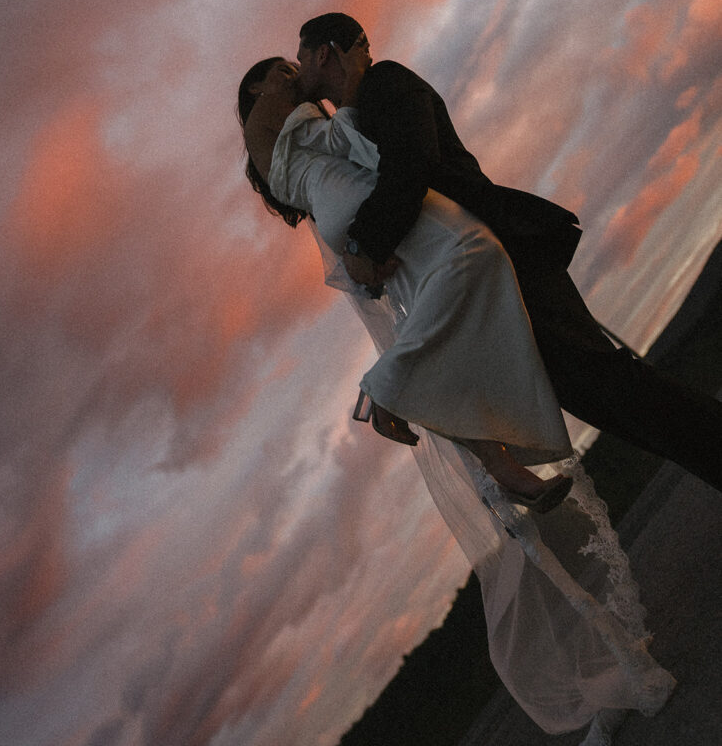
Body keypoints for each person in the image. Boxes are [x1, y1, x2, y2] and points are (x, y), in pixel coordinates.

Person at [237, 54, 677, 742]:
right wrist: (297, 76)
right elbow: (263, 118)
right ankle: (608, 669)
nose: (294, 71)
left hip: (442, 259)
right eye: (280, 71)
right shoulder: (286, 152)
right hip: (427, 279)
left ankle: (455, 435)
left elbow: (392, 172)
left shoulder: (326, 134)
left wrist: (314, 87)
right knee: (505, 491)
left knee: (547, 376)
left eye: (297, 63)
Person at [294, 12, 722, 493]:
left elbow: (410, 166)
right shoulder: (359, 119)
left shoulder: (385, 83)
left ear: (324, 52)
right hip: (491, 273)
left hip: (508, 256)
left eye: (300, 58)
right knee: (609, 396)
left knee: (613, 388)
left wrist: (362, 245)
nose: (297, 71)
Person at [239, 53, 574, 511]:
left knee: (446, 343)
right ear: (256, 88)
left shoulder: (268, 147)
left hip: (339, 210)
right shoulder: (273, 113)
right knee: (477, 250)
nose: (294, 76)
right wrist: (351, 84)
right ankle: (386, 388)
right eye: (283, 70)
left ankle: (507, 473)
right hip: (354, 199)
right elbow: (339, 138)